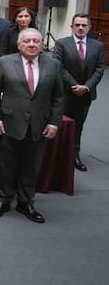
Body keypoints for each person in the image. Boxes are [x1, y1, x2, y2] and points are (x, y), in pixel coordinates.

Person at [0, 28, 63, 224]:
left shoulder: (53, 64)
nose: (31, 44)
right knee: (6, 165)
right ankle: (3, 200)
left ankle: (26, 202)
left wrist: (54, 122)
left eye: (36, 41)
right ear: (19, 44)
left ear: (41, 44)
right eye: (27, 41)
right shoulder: (4, 62)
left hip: (39, 125)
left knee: (32, 166)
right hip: (9, 123)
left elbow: (58, 97)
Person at [53, 14, 105, 171]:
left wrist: (86, 87)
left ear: (89, 27)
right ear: (72, 27)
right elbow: (58, 66)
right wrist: (75, 85)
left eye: (84, 25)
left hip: (85, 94)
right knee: (60, 123)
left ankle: (74, 154)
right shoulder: (61, 44)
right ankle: (57, 155)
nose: (80, 28)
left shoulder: (98, 46)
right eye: (77, 25)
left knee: (78, 125)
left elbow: (99, 68)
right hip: (65, 92)